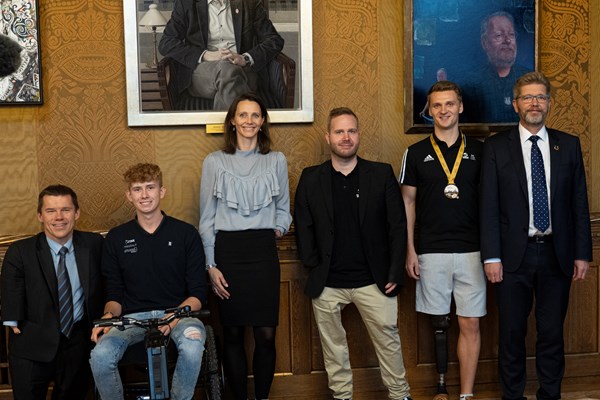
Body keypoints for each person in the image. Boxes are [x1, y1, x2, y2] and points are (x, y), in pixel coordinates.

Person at [480, 71, 592, 400]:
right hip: (514, 256)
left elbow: (579, 203)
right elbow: (487, 205)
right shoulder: (496, 146)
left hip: (557, 254)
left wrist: (582, 253)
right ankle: (512, 395)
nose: (535, 103)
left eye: (541, 97)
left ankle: (550, 394)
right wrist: (491, 256)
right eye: (528, 97)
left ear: (549, 104)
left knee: (552, 333)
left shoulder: (567, 145)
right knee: (512, 333)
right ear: (515, 104)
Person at [294, 107, 413, 400]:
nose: (346, 138)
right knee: (333, 346)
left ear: (358, 135)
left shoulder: (381, 173)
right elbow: (303, 225)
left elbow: (397, 227)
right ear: (328, 137)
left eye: (351, 131)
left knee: (389, 342)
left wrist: (395, 271)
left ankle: (400, 395)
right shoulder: (310, 178)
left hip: (374, 280)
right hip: (328, 282)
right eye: (339, 132)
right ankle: (342, 396)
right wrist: (313, 264)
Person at [199, 93, 291, 400]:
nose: (249, 121)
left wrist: (275, 228)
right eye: (243, 115)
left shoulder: (276, 160)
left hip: (263, 252)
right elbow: (207, 219)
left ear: (262, 121)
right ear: (233, 121)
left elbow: (284, 209)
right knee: (234, 334)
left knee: (266, 335)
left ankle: (262, 397)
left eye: (255, 115)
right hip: (228, 252)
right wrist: (211, 265)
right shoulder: (214, 162)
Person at [90, 163, 207, 400]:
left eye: (150, 187)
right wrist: (108, 318)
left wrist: (173, 318)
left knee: (194, 344)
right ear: (129, 195)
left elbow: (198, 294)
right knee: (100, 355)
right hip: (131, 320)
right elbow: (114, 294)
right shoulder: (116, 238)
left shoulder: (186, 234)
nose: (144, 195)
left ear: (161, 192)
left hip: (179, 316)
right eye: (137, 189)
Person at [400, 81, 486, 400]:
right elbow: (407, 203)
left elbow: (491, 204)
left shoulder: (480, 150)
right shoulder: (415, 152)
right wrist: (410, 250)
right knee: (439, 323)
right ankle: (440, 387)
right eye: (436, 106)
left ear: (460, 107)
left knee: (471, 325)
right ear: (429, 110)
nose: (443, 111)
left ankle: (466, 394)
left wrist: (492, 253)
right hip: (431, 251)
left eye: (449, 104)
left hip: (473, 251)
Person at [0, 185, 104, 399]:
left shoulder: (94, 245)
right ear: (40, 215)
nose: (59, 217)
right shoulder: (20, 251)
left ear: (77, 213)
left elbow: (111, 282)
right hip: (32, 344)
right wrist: (11, 318)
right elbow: (11, 288)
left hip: (77, 343)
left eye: (66, 210)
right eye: (50, 211)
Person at [158, 0, 284, 110]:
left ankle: (222, 135)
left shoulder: (249, 3)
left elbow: (274, 40)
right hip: (203, 72)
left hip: (244, 70)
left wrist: (245, 58)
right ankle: (239, 134)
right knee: (227, 71)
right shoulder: (186, 3)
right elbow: (166, 43)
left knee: (227, 82)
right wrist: (206, 55)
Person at [462, 11, 531, 123]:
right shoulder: (470, 84)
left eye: (511, 34)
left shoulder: (530, 80)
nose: (507, 41)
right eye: (499, 35)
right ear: (485, 43)